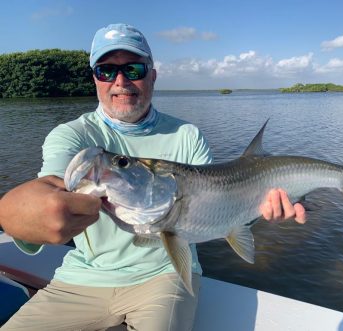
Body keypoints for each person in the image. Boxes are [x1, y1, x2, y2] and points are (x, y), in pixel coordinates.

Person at [0, 24, 305, 331]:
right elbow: (44, 190)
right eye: (106, 70)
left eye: (133, 69)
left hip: (164, 274)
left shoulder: (186, 135)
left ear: (153, 75)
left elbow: (220, 204)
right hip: (83, 278)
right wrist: (25, 214)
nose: (121, 81)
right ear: (95, 78)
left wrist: (256, 210)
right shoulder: (73, 136)